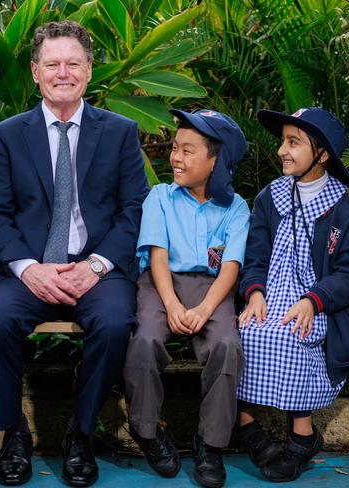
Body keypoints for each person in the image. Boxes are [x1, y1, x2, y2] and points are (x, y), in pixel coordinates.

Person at [0, 20, 149, 487]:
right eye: (52, 64)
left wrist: (96, 265)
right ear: (35, 72)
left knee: (114, 323)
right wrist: (28, 269)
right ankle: (14, 433)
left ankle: (81, 433)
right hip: (28, 270)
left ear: (89, 71)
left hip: (96, 267)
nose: (63, 72)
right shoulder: (7, 136)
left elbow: (134, 210)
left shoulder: (119, 132)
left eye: (74, 63)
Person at [237, 107, 349, 482]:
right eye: (283, 140)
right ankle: (247, 426)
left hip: (321, 301)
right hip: (271, 293)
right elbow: (255, 255)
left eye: (293, 142)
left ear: (322, 154)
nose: (282, 149)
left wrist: (313, 300)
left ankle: (302, 437)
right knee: (249, 332)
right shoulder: (271, 198)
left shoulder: (341, 208)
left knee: (293, 334)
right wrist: (254, 293)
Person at [123, 109, 250, 488]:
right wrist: (174, 305)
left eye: (188, 150)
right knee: (144, 340)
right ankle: (146, 431)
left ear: (216, 160)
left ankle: (209, 444)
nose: (175, 157)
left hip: (211, 288)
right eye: (175, 148)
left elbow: (230, 266)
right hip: (160, 283)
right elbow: (157, 256)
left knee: (226, 345)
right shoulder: (160, 196)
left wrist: (205, 309)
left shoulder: (236, 208)